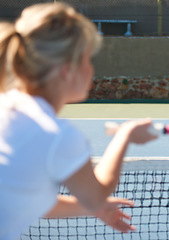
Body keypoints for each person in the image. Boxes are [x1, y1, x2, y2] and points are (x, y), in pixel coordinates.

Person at [0, 3, 157, 239]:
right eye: (87, 60)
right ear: (67, 70)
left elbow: (28, 197)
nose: (91, 70)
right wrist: (125, 135)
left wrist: (91, 208)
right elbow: (97, 193)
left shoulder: (8, 106)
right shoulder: (54, 134)